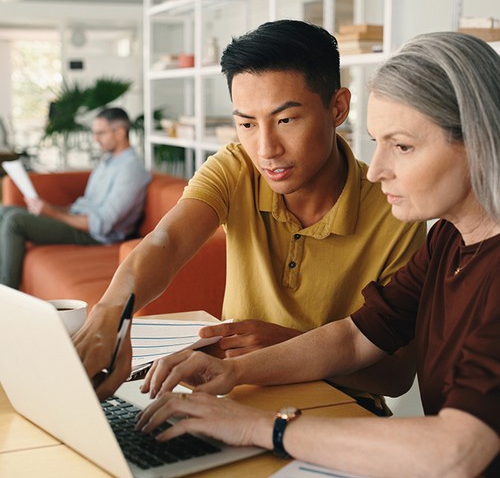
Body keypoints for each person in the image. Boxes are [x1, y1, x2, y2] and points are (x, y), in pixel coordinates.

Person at [134, 31, 500, 477]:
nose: (379, 169)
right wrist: (235, 372)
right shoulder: (449, 238)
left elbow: (458, 451)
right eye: (377, 142)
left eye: (402, 146)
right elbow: (356, 336)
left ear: (480, 141)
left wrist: (261, 427)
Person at [74, 20, 425, 408]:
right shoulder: (237, 166)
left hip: (338, 410)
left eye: (286, 120)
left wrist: (286, 346)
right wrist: (111, 313)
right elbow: (167, 241)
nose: (265, 149)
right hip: (231, 395)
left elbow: (396, 377)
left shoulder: (395, 209)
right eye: (246, 124)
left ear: (338, 107)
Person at [0, 107, 151, 289]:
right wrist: (50, 208)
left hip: (94, 235)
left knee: (15, 221)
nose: (95, 139)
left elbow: (101, 223)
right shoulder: (107, 162)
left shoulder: (131, 171)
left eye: (101, 133)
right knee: (4, 211)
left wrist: (52, 214)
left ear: (119, 133)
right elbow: (85, 205)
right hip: (79, 221)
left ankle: (6, 292)